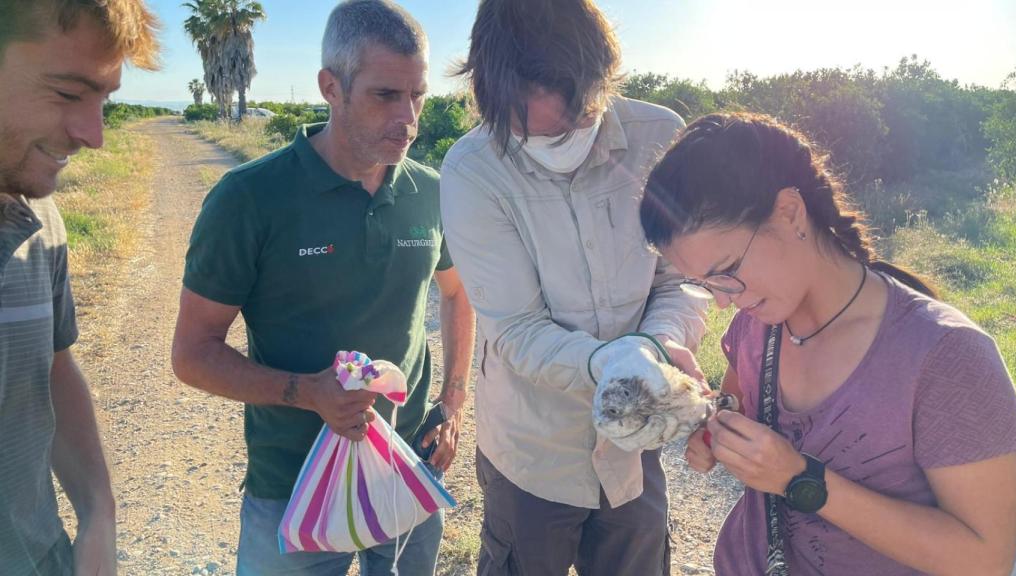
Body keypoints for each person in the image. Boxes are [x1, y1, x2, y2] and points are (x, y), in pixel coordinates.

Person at [639, 111, 1016, 575]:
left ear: (789, 212)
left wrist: (801, 479)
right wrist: (715, 436)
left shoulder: (947, 357)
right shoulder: (756, 323)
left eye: (727, 272)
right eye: (704, 283)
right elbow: (736, 406)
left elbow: (986, 559)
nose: (722, 303)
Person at [170, 1, 475, 574]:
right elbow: (192, 354)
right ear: (330, 87)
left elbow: (458, 293)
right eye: (386, 95)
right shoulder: (249, 199)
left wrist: (453, 403)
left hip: (409, 469)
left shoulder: (432, 191)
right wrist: (310, 393)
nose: (409, 117)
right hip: (292, 484)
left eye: (419, 95)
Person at [440, 1, 707, 574]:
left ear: (601, 84)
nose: (556, 144)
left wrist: (653, 347)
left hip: (636, 441)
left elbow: (681, 278)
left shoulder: (660, 136)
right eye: (526, 132)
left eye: (575, 124)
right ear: (489, 99)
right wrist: (607, 361)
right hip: (531, 450)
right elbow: (514, 325)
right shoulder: (471, 171)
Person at [0, 2, 159, 575]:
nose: (93, 135)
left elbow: (51, 364)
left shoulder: (41, 225)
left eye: (104, 101)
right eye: (68, 94)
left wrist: (98, 512)